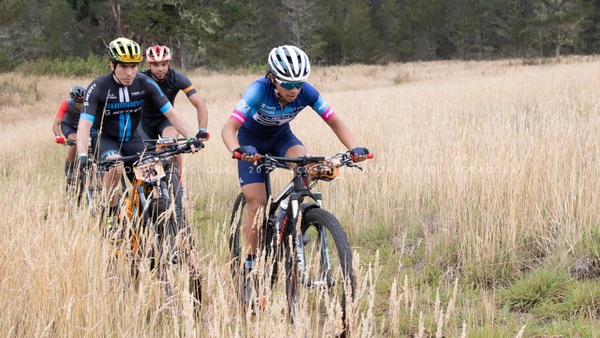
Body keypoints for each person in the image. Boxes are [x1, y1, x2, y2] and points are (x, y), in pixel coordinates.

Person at [221, 45, 370, 298]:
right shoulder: (258, 91)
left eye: (299, 83)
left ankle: (294, 222)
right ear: (272, 78)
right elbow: (228, 128)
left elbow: (334, 121)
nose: (294, 90)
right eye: (288, 84)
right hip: (250, 144)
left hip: (282, 138)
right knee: (256, 203)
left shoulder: (306, 93)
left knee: (307, 168)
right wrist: (238, 149)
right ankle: (248, 269)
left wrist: (354, 147)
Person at [76, 37, 203, 221]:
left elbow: (172, 114)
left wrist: (191, 137)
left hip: (132, 139)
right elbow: (84, 126)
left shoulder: (145, 83)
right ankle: (111, 216)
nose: (129, 72)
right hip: (105, 138)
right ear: (111, 65)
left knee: (153, 174)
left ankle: (155, 224)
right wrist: (81, 155)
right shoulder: (98, 87)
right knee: (116, 166)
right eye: (124, 67)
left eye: (133, 66)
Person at [140, 45, 210, 178]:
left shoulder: (177, 78)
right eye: (155, 64)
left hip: (166, 119)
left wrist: (202, 129)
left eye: (163, 64)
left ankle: (178, 180)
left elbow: (199, 103)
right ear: (149, 65)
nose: (160, 68)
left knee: (170, 144)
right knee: (146, 155)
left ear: (169, 64)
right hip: (143, 121)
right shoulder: (141, 78)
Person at [52, 85, 86, 183]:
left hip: (84, 127)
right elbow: (56, 123)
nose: (80, 105)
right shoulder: (66, 104)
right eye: (78, 102)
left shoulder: (90, 103)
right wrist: (58, 136)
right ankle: (71, 168)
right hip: (69, 126)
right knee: (75, 141)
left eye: (82, 102)